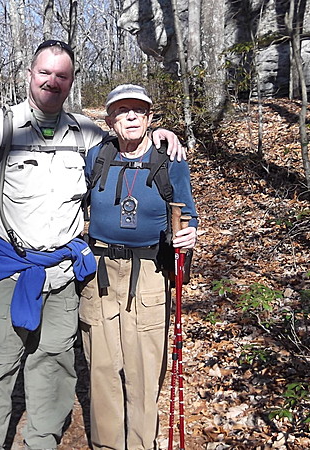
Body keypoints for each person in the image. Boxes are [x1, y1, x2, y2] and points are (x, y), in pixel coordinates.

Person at [0, 41, 184, 449]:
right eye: (45, 73)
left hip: (64, 273)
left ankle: (41, 442)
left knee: (53, 366)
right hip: (7, 267)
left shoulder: (86, 134)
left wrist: (159, 134)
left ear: (71, 82)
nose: (52, 81)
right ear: (29, 74)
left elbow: (128, 145)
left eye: (62, 75)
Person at [79, 84, 198, 450]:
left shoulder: (170, 160)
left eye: (138, 110)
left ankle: (142, 445)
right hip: (97, 271)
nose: (131, 116)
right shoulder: (95, 156)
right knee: (101, 369)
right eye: (122, 110)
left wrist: (188, 234)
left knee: (144, 371)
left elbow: (187, 212)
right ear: (109, 119)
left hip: (149, 273)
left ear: (149, 118)